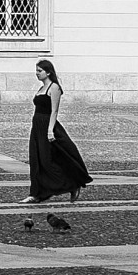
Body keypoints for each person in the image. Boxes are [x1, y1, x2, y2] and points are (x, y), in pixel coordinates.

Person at [27, 58, 92, 204]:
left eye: (40, 71)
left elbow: (54, 111)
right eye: (36, 70)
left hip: (46, 126)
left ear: (48, 72)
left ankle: (71, 185)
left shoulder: (54, 88)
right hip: (37, 126)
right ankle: (36, 193)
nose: (37, 73)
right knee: (35, 160)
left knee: (47, 160)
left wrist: (50, 131)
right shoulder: (41, 88)